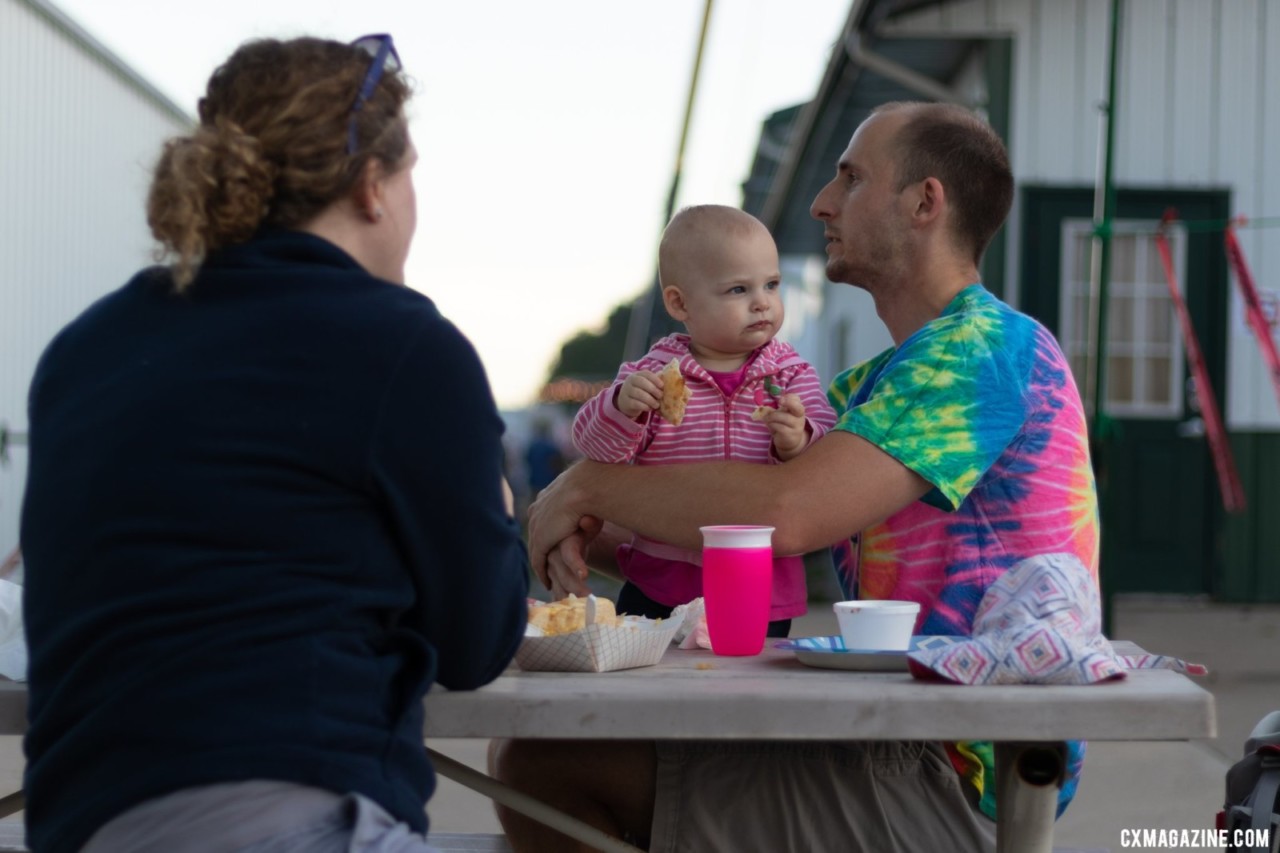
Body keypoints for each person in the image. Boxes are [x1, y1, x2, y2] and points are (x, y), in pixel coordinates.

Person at [494, 102, 1100, 852]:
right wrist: (593, 539)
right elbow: (738, 538)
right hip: (899, 730)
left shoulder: (979, 349)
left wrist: (584, 488)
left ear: (924, 203)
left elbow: (787, 512)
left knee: (541, 758)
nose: (821, 202)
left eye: (851, 178)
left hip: (962, 767)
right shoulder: (868, 387)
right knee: (537, 745)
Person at [20, 35, 529, 853]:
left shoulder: (87, 345)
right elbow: (477, 644)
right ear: (373, 188)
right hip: (296, 816)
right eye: (410, 174)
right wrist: (496, 513)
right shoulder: (403, 344)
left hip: (81, 822)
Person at [572, 205, 837, 635]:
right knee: (654, 687)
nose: (762, 303)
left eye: (771, 285)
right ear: (680, 303)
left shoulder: (790, 375)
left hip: (759, 585)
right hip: (659, 582)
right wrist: (621, 406)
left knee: (748, 693)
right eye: (737, 290)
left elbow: (825, 454)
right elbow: (595, 447)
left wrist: (798, 439)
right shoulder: (653, 375)